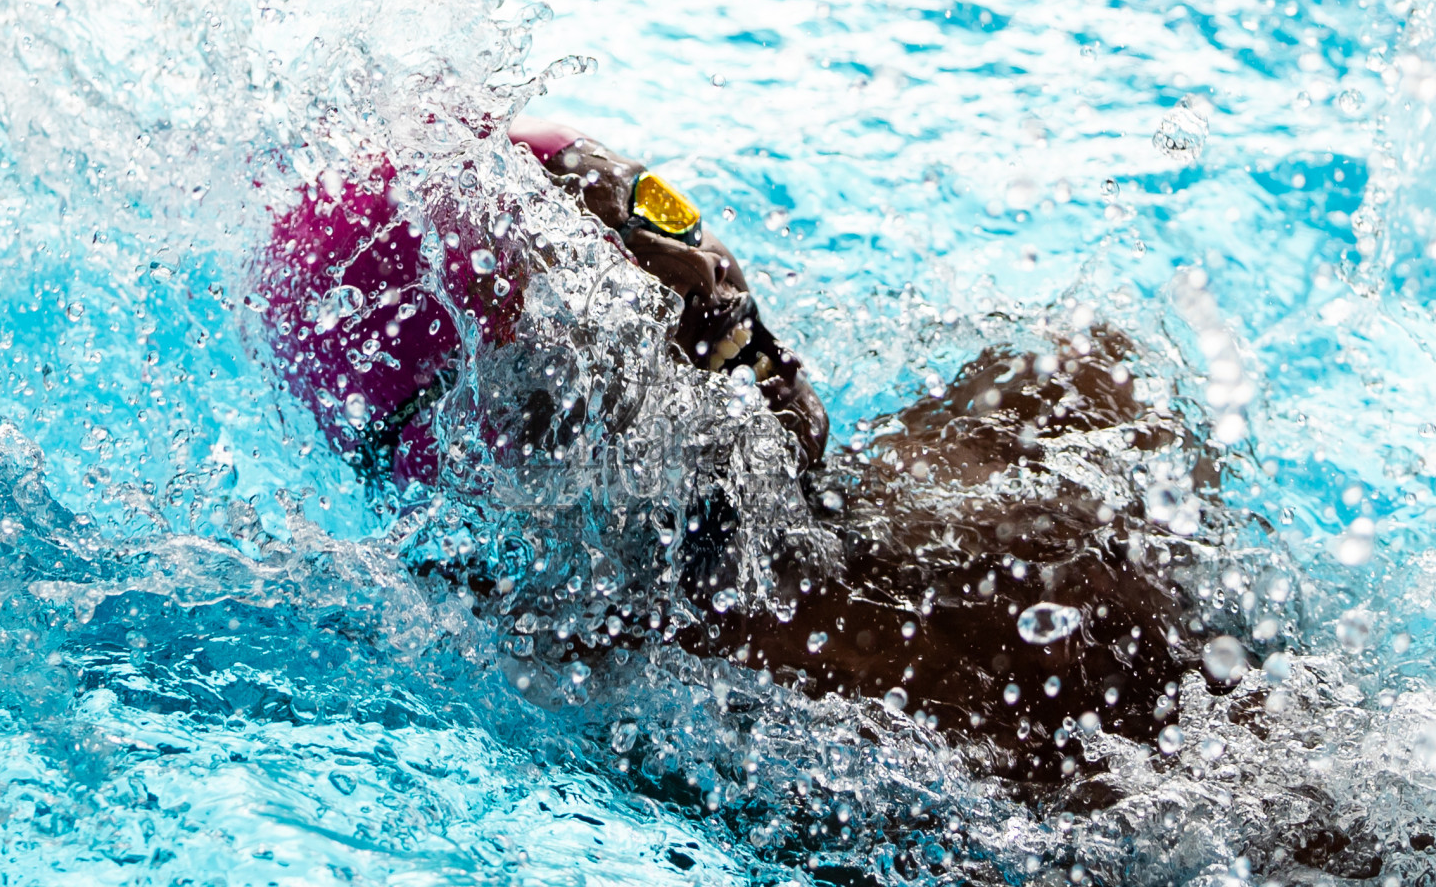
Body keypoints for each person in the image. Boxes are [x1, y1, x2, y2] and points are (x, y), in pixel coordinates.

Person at [254, 116, 1199, 780]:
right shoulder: (1066, 414)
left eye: (654, 210)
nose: (698, 273)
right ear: (488, 435)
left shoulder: (642, 705)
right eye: (605, 270)